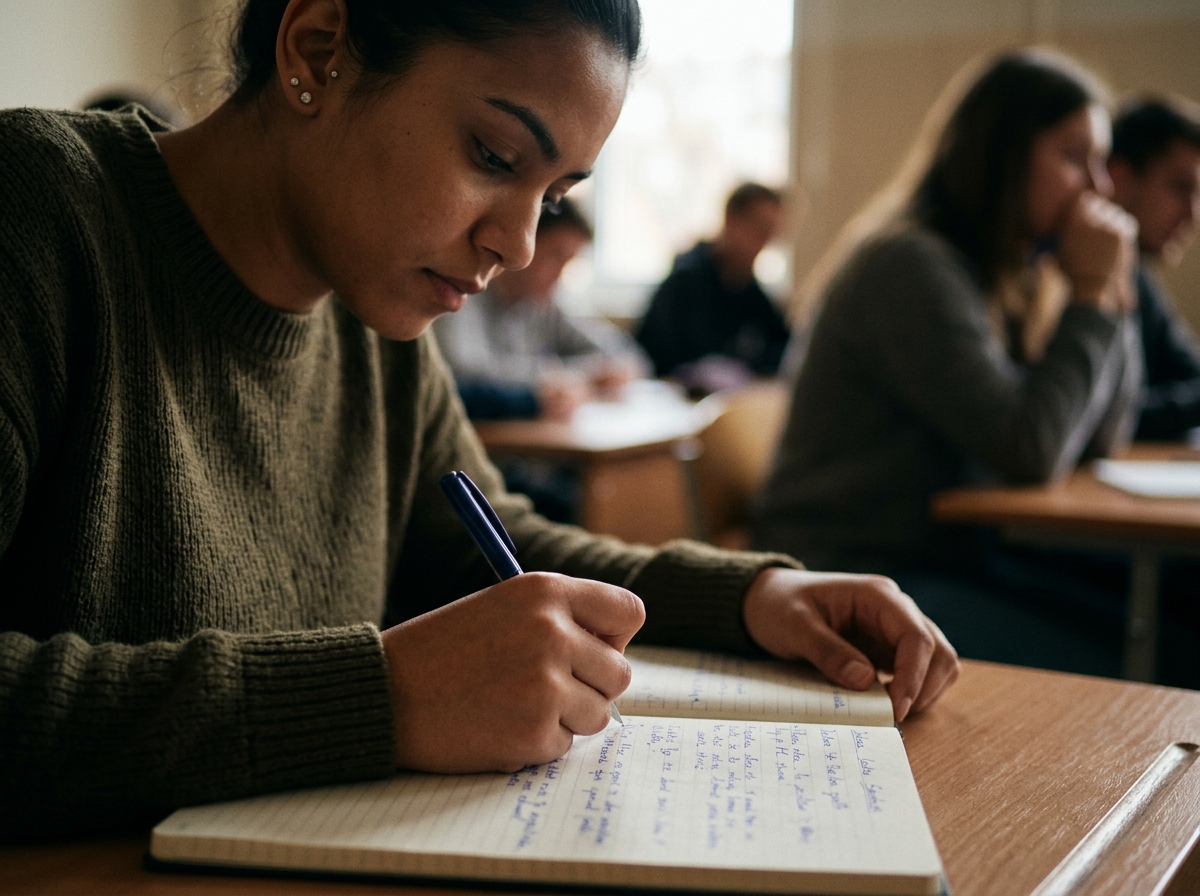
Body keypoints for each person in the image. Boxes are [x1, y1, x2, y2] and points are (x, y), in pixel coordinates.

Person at [0, 0, 958, 842]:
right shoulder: (36, 217)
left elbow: (496, 548)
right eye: (494, 156)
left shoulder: (376, 320)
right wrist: (379, 699)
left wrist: (748, 599)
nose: (520, 243)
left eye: (554, 195)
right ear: (318, 48)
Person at [753, 49, 1142, 674]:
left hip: (947, 558)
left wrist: (1114, 293)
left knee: (1159, 615)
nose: (1097, 189)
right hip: (850, 569)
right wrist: (1093, 298)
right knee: (1132, 651)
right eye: (1075, 158)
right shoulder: (911, 266)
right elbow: (1030, 448)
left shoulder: (1002, 276)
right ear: (1003, 155)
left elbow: (1101, 432)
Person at [433, 197, 646, 423]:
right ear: (522, 243)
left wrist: (602, 372)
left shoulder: (545, 306)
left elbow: (626, 355)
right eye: (555, 256)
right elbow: (464, 373)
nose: (559, 274)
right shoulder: (461, 292)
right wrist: (565, 377)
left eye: (568, 263)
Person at [636, 182, 791, 395]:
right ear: (730, 219)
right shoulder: (682, 284)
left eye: (770, 235)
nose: (763, 243)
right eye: (758, 229)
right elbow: (651, 359)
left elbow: (786, 351)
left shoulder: (751, 293)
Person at [1108, 96, 1200, 440]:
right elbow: (1102, 419)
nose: (1193, 215)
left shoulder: (1137, 276)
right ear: (1118, 177)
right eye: (1180, 188)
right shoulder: (1063, 277)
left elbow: (1191, 375)